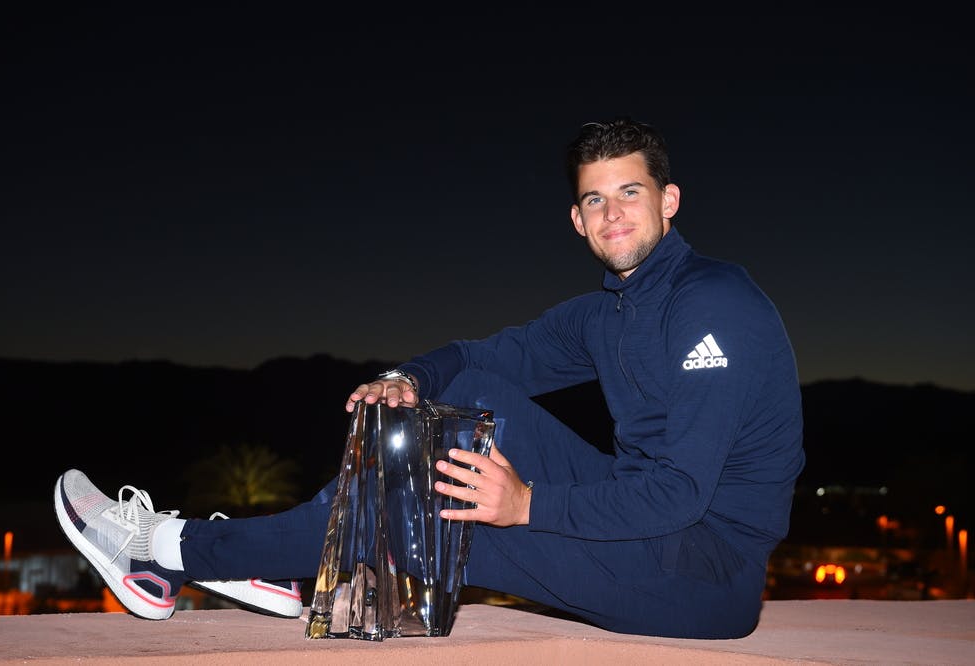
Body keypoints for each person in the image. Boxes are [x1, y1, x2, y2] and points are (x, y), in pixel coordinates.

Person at [55, 117, 805, 639]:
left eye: (630, 193)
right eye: (594, 199)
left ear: (668, 202)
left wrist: (525, 504)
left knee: (421, 511)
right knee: (469, 396)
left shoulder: (715, 304)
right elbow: (482, 356)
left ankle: (165, 554)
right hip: (645, 529)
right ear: (576, 220)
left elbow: (680, 494)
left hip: (703, 571)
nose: (612, 214)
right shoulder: (604, 314)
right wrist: (405, 378)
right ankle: (278, 562)